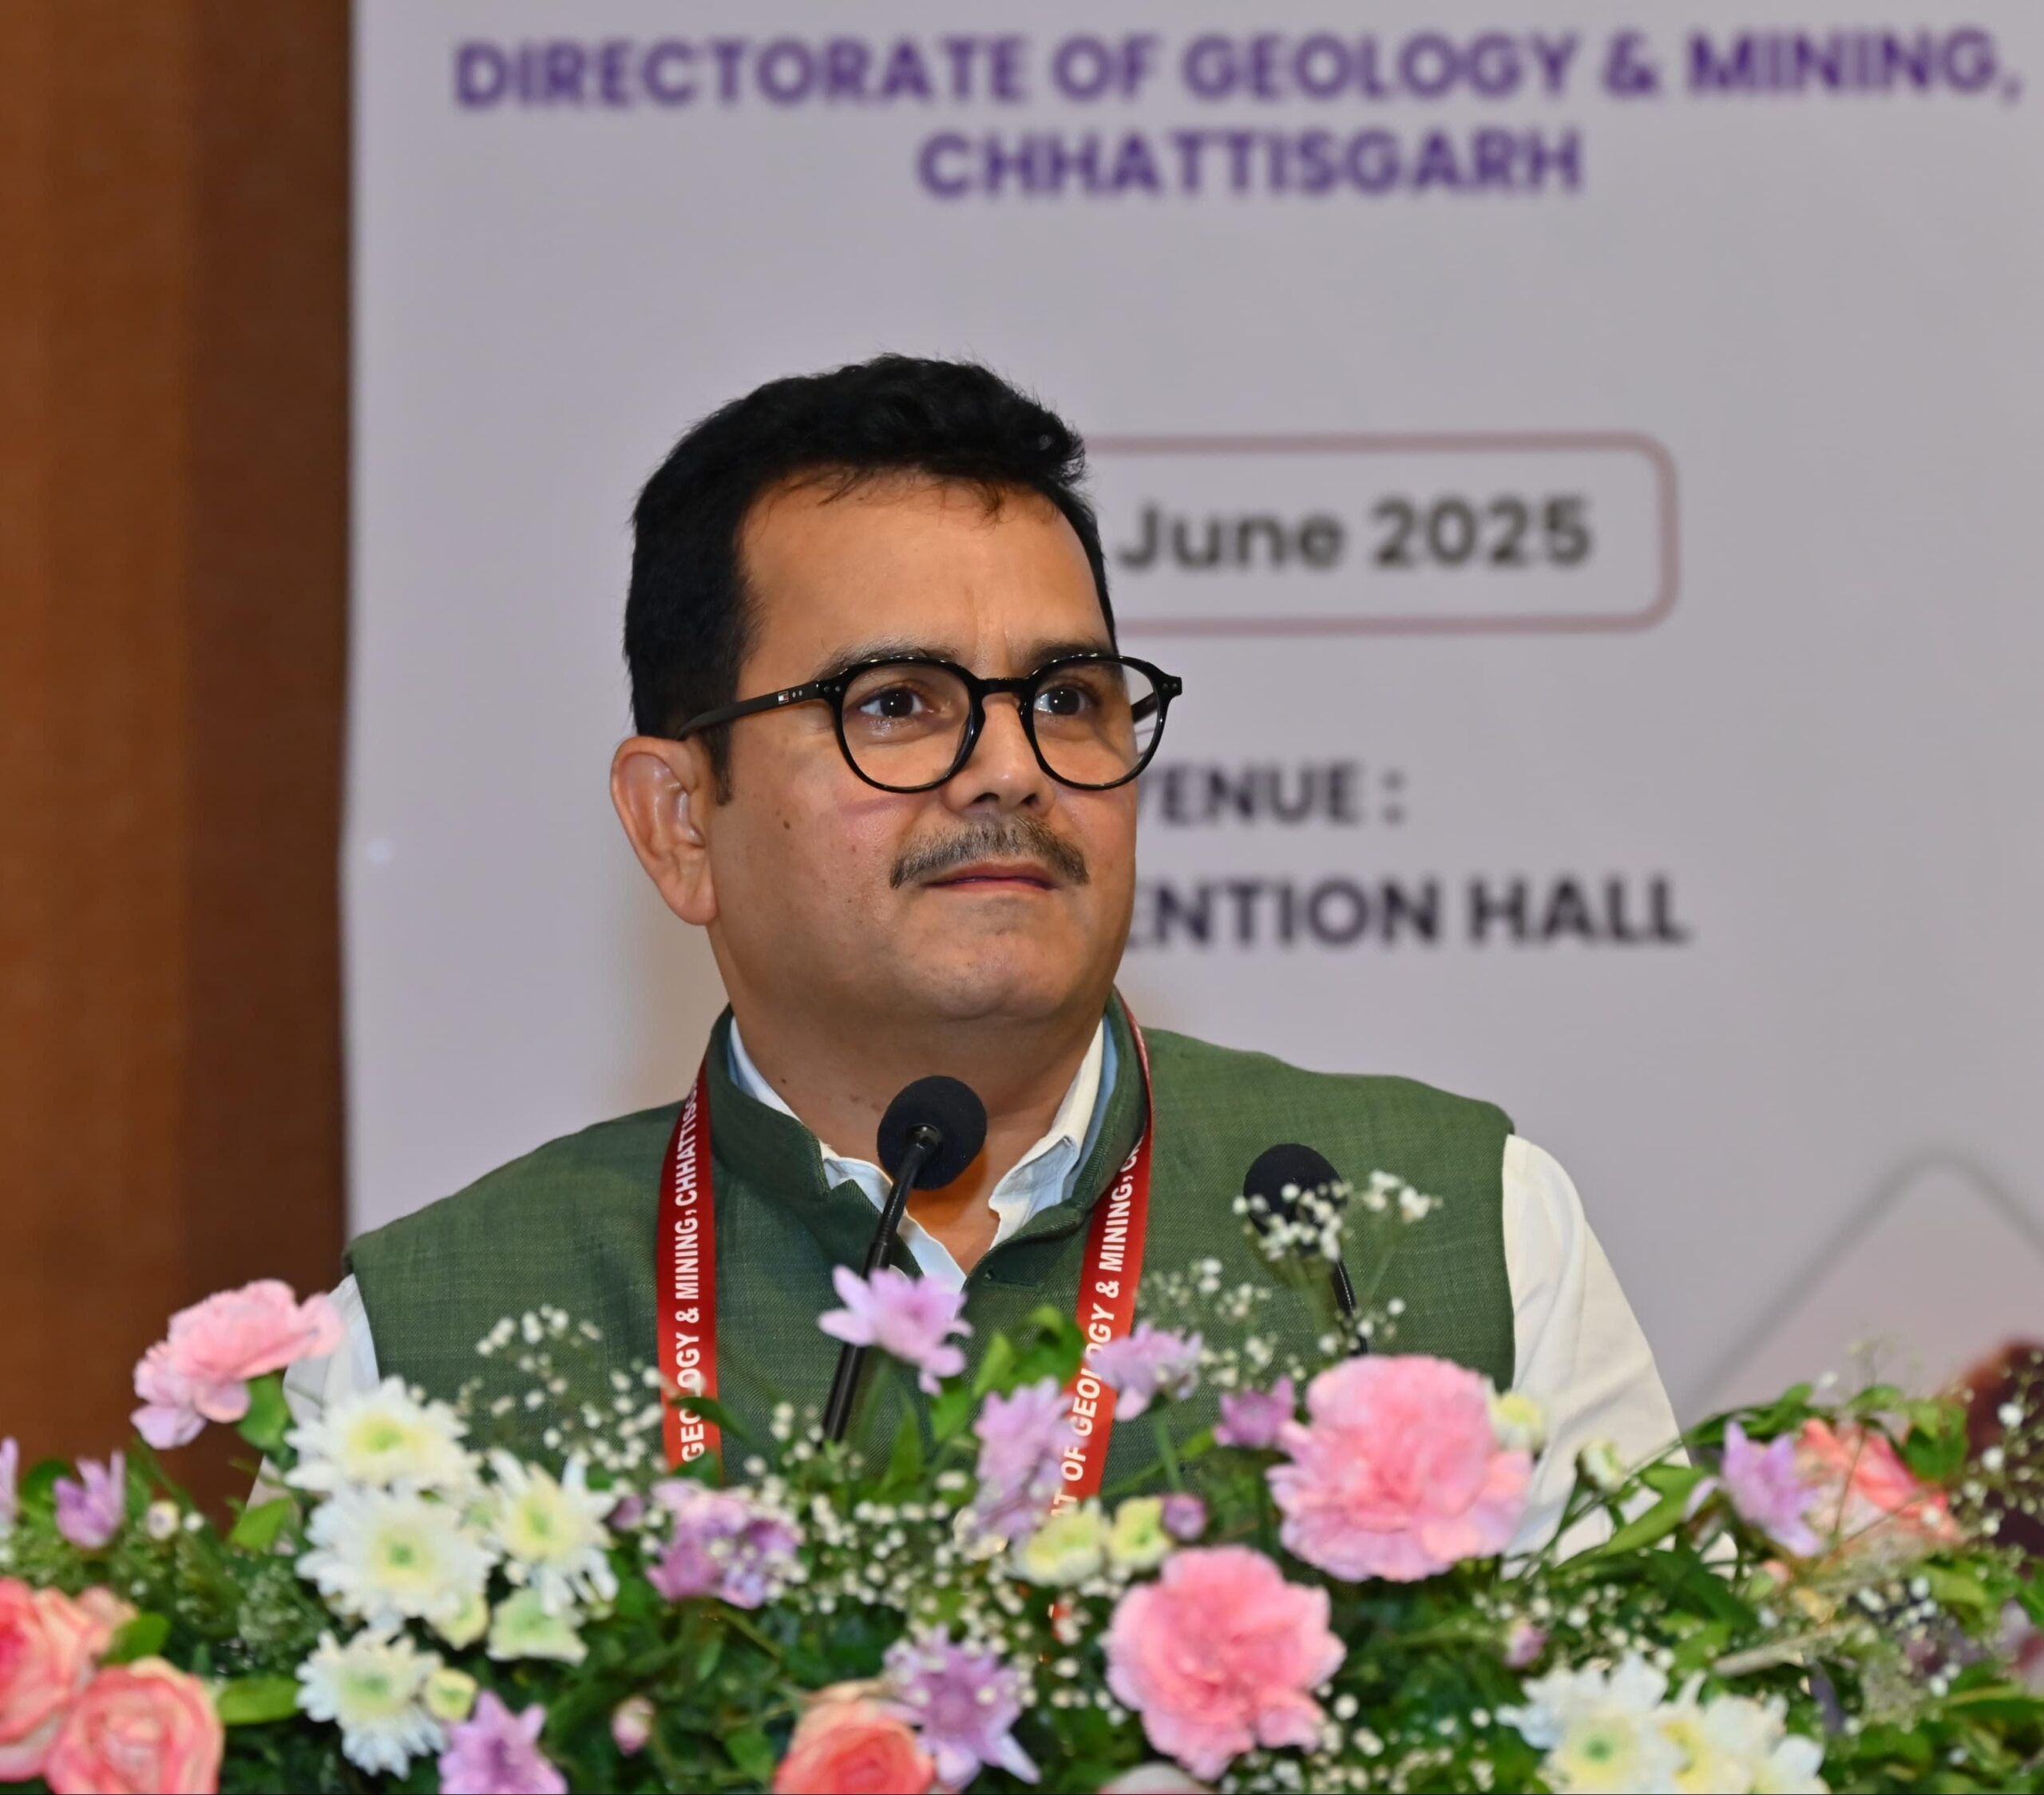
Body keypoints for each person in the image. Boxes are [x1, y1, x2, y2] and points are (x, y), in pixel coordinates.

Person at [291, 354, 1677, 1548]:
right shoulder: (420, 1351)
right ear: (681, 822)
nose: (1012, 767)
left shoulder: (1454, 1229)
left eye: (1067, 698)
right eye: (897, 702)